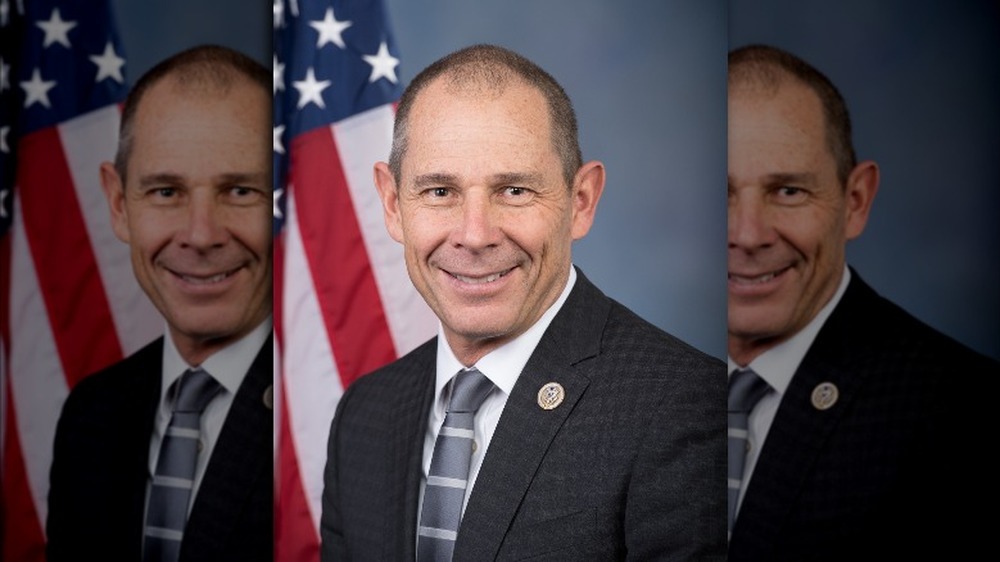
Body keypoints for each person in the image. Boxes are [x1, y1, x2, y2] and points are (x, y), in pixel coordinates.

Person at [320, 44, 727, 561]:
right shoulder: (365, 414)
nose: (474, 235)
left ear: (581, 202)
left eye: (514, 190)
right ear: (394, 204)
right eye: (440, 191)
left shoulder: (684, 407)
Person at [726, 44, 997, 561]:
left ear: (855, 202)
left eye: (787, 191)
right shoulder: (635, 381)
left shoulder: (965, 417)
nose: (748, 234)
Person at [46, 45, 273, 562]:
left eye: (239, 191)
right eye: (166, 192)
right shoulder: (91, 414)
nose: (200, 235)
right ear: (120, 204)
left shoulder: (323, 419)